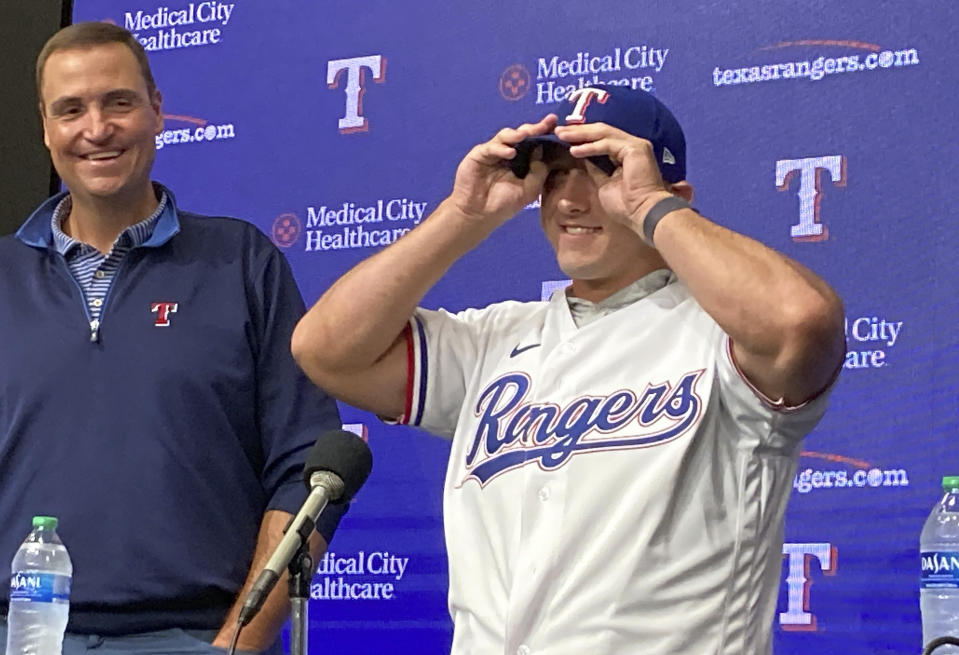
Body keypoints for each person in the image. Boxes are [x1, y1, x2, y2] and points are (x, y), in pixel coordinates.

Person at [292, 84, 846, 654]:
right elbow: (326, 350)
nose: (569, 201)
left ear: (670, 191)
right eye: (556, 174)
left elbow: (800, 323)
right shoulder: (494, 338)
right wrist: (462, 216)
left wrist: (649, 207)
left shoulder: (723, 337)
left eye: (603, 171)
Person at [0, 22, 344, 654]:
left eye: (119, 102)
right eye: (71, 109)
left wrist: (238, 642)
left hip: (195, 636)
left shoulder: (241, 262)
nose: (97, 128)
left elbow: (309, 470)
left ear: (158, 111)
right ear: (46, 128)